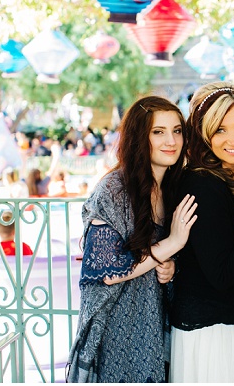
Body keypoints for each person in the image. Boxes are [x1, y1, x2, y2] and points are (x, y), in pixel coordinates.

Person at [67, 96, 197, 383]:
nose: (171, 140)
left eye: (177, 130)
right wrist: (170, 244)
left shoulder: (174, 188)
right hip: (117, 327)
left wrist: (170, 265)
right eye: (158, 132)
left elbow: (162, 255)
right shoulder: (114, 190)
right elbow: (107, 271)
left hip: (156, 321)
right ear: (140, 136)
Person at [170, 82, 234, 382]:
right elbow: (221, 273)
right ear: (204, 134)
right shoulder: (201, 184)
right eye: (220, 129)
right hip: (214, 333)